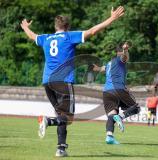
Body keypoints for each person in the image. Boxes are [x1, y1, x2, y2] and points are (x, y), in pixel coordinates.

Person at [21, 6, 124, 157]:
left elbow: (32, 36)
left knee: (62, 116)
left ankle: (61, 149)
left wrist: (25, 27)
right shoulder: (69, 37)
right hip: (63, 81)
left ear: (55, 27)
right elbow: (93, 31)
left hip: (47, 82)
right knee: (68, 118)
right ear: (67, 27)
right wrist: (112, 19)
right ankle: (47, 121)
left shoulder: (46, 38)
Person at [93, 42, 141, 145]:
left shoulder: (109, 63)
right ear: (119, 52)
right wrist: (126, 50)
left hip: (107, 92)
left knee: (111, 115)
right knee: (136, 108)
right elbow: (124, 57)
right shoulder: (120, 60)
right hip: (118, 90)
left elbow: (102, 69)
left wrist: (96, 68)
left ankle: (109, 136)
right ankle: (120, 117)